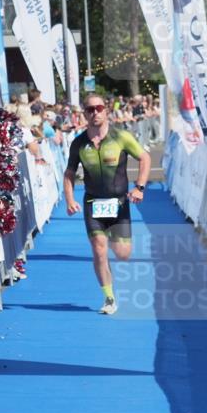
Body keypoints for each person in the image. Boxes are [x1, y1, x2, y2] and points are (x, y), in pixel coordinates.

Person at [63, 93, 151, 315]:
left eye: (99, 108)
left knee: (122, 254)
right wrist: (70, 199)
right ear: (84, 113)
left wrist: (139, 187)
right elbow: (69, 173)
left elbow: (145, 158)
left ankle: (114, 240)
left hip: (119, 203)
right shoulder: (79, 143)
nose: (95, 113)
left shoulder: (120, 137)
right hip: (93, 203)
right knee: (99, 250)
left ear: (106, 111)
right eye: (90, 109)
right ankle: (109, 297)